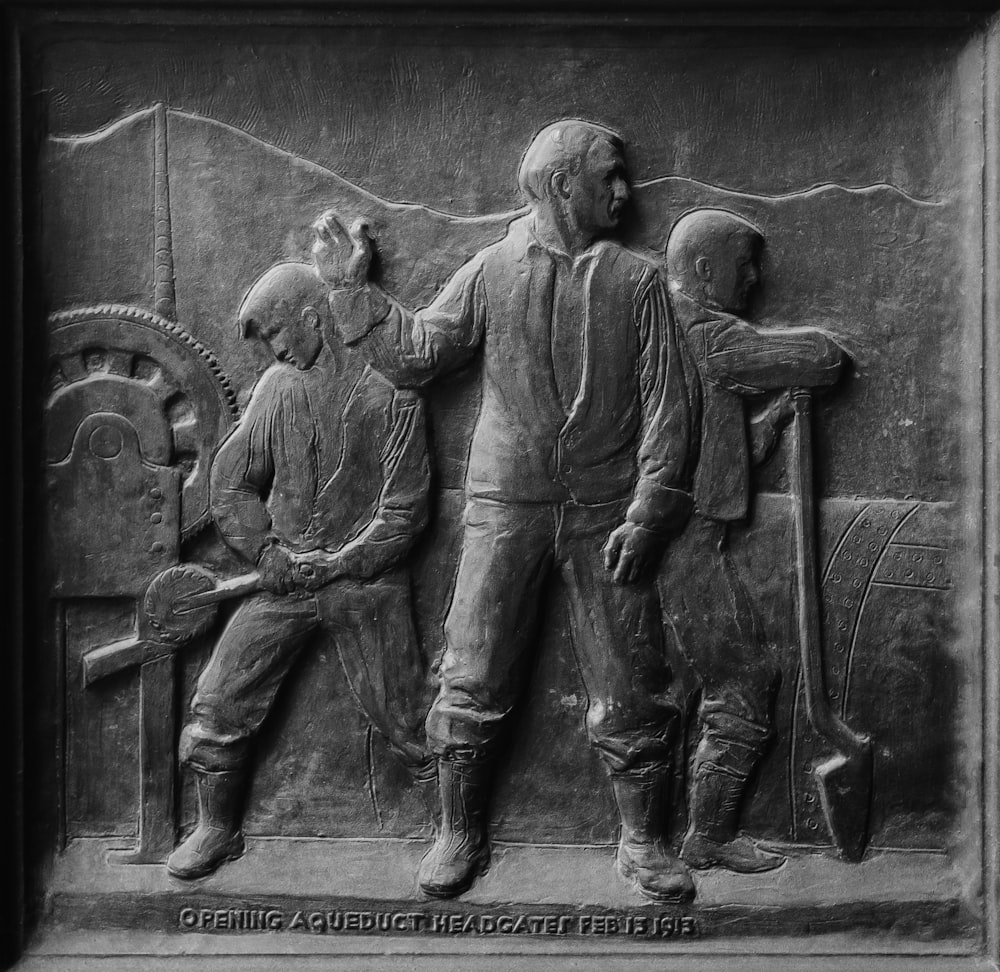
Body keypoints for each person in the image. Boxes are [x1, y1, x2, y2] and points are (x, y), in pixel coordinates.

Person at [311, 119, 700, 902]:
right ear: (563, 185)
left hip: (606, 514)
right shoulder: (493, 268)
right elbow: (418, 356)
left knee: (630, 679)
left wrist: (652, 508)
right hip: (505, 507)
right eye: (608, 178)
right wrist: (353, 290)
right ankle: (458, 833)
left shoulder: (638, 281)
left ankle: (644, 841)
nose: (623, 192)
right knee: (472, 671)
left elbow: (668, 407)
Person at [167, 261, 434, 880]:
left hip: (366, 581)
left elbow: (405, 511)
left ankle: (460, 833)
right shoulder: (278, 390)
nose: (272, 349)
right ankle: (215, 829)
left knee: (409, 718)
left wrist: (344, 561)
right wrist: (267, 553)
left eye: (275, 334)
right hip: (284, 582)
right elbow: (229, 484)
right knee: (218, 697)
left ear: (313, 319)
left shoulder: (393, 392)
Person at [663, 208, 846, 873]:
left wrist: (770, 419)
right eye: (744, 264)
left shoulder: (665, 333)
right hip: (678, 548)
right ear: (705, 269)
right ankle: (704, 837)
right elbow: (824, 356)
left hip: (683, 541)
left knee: (704, 681)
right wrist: (793, 370)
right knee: (742, 676)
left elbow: (713, 447)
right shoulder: (703, 333)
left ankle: (690, 835)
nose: (755, 277)